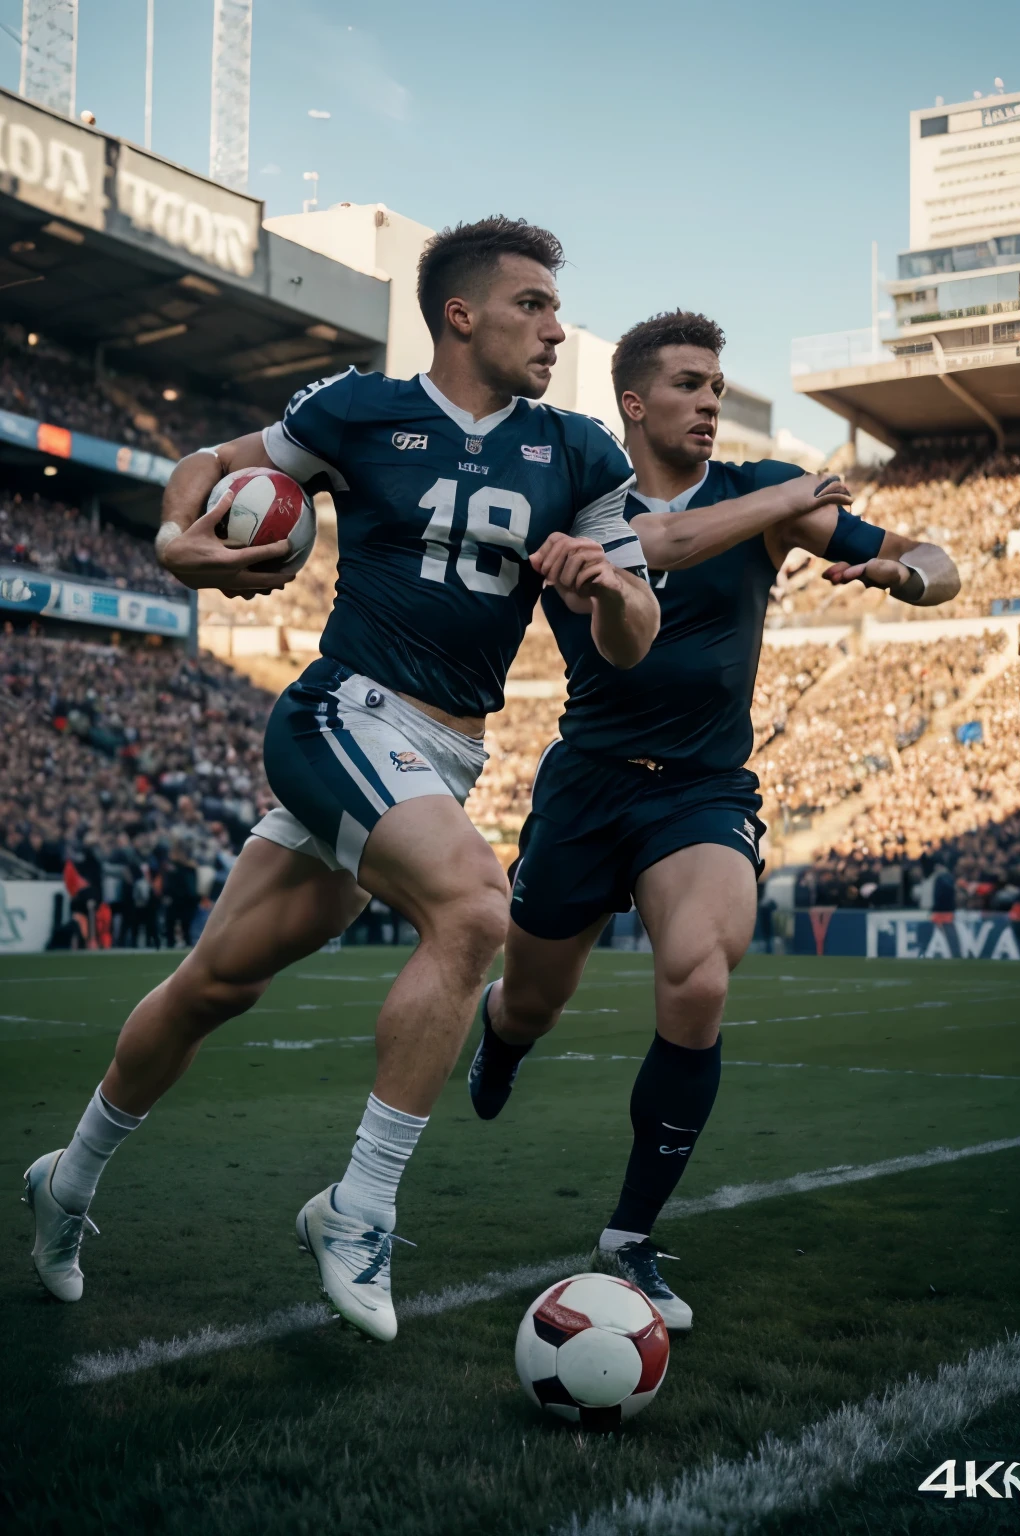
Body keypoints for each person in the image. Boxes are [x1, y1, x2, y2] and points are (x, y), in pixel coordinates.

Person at [23, 216, 661, 1343]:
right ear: (460, 313)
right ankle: (357, 1211)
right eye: (532, 305)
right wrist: (178, 539)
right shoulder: (358, 408)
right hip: (343, 712)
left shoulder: (580, 451)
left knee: (214, 985)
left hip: (442, 755)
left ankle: (63, 1184)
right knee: (473, 907)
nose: (558, 330)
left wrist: (605, 590)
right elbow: (210, 468)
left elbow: (634, 637)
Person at [470, 309, 961, 1329]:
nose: (709, 401)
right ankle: (503, 1034)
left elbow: (936, 558)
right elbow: (667, 548)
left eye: (717, 385)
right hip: (586, 784)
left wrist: (901, 573)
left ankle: (629, 1240)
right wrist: (790, 497)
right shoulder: (587, 503)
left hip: (701, 791)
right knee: (530, 1002)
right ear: (636, 404)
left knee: (697, 970)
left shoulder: (757, 493)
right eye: (689, 385)